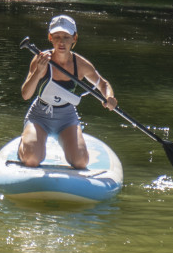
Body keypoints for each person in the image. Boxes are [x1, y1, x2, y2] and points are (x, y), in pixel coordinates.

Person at [18, 14, 118, 170]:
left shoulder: (81, 64)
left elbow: (103, 84)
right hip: (39, 115)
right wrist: (38, 72)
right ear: (50, 37)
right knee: (32, 159)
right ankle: (25, 146)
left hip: (67, 117)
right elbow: (26, 95)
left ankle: (66, 141)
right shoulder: (40, 59)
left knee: (81, 162)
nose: (61, 42)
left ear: (74, 38)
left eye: (66, 36)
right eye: (56, 36)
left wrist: (109, 97)